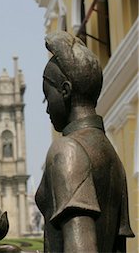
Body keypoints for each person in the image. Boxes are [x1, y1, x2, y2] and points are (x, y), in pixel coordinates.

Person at [35, 31, 135, 252]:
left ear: (65, 91)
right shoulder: (112, 156)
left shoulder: (67, 151)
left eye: (47, 94)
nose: (47, 108)